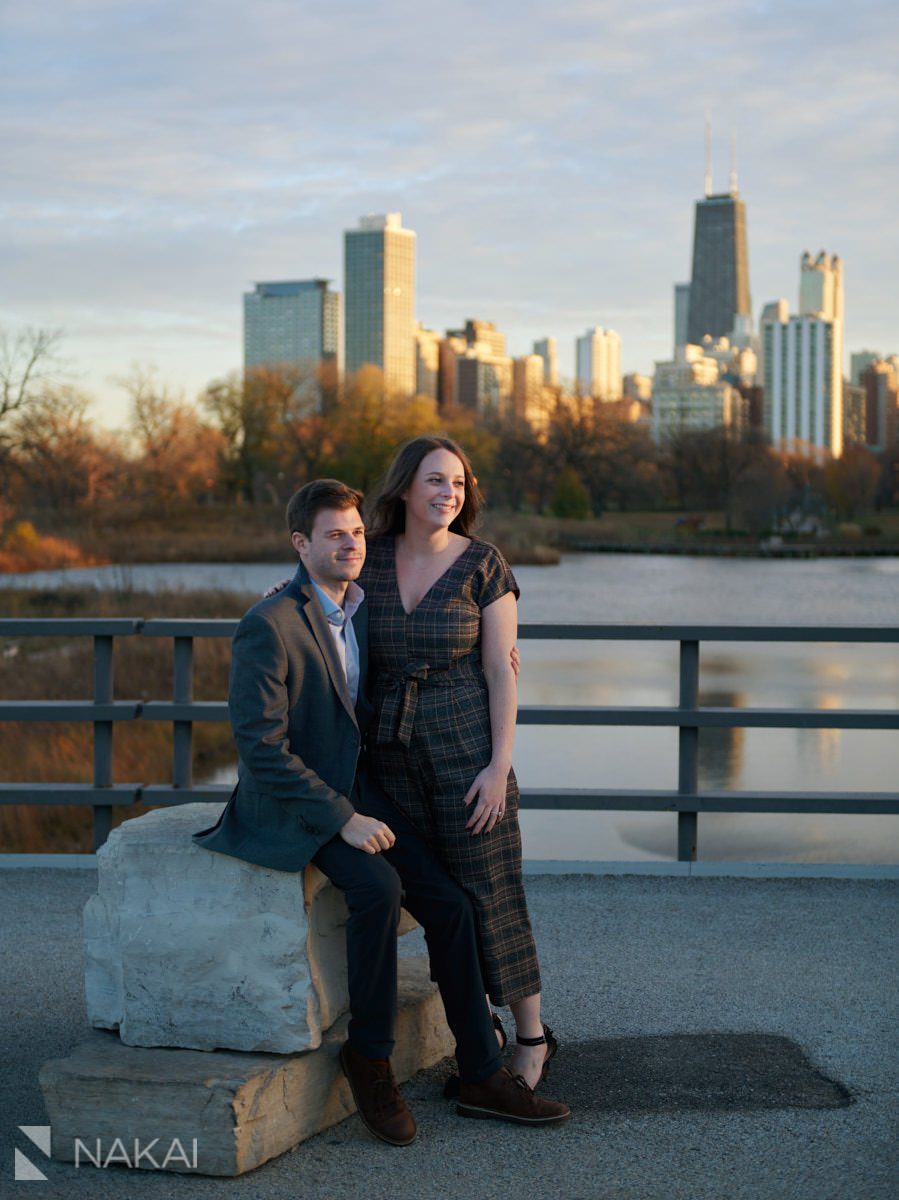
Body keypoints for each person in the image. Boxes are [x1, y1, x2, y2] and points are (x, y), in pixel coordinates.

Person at [192, 479, 569, 1146]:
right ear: (300, 544)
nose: (350, 543)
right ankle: (369, 1057)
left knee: (449, 905)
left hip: (362, 792)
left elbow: (427, 646)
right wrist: (341, 816)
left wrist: (498, 656)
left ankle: (481, 1072)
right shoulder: (268, 624)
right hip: (292, 805)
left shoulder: (360, 609)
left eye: (357, 532)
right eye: (334, 534)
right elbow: (260, 748)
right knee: (378, 888)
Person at [361, 435, 558, 1091]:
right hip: (388, 758)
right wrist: (292, 589)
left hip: (466, 753)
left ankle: (531, 1036)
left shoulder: (483, 564)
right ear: (403, 489)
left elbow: (503, 673)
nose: (450, 494)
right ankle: (479, 1030)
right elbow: (321, 603)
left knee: (490, 895)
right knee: (442, 904)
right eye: (435, 481)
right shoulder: (369, 561)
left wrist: (498, 765)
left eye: (459, 484)